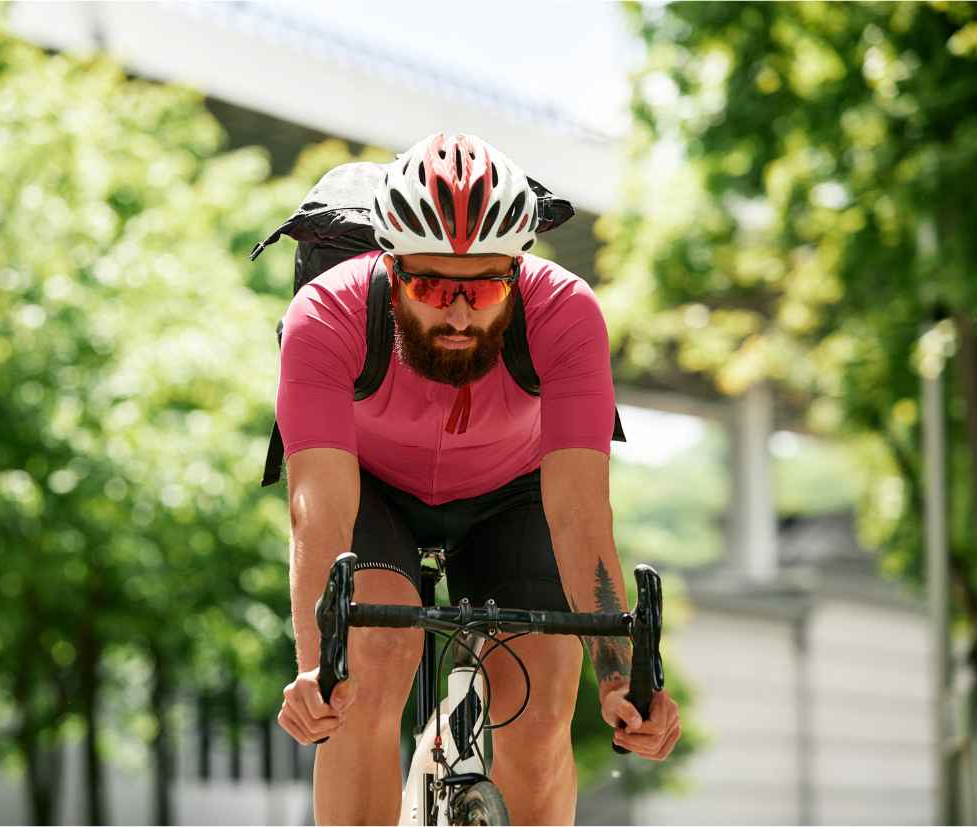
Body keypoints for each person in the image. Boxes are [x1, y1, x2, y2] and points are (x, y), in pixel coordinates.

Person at [274, 132, 681, 825]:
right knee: (367, 668)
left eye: (487, 287)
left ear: (517, 271)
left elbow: (579, 513)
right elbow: (320, 511)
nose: (459, 313)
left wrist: (620, 677)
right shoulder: (326, 313)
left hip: (511, 497)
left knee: (543, 704)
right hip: (374, 492)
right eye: (430, 286)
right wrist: (319, 668)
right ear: (391, 265)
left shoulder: (565, 311)